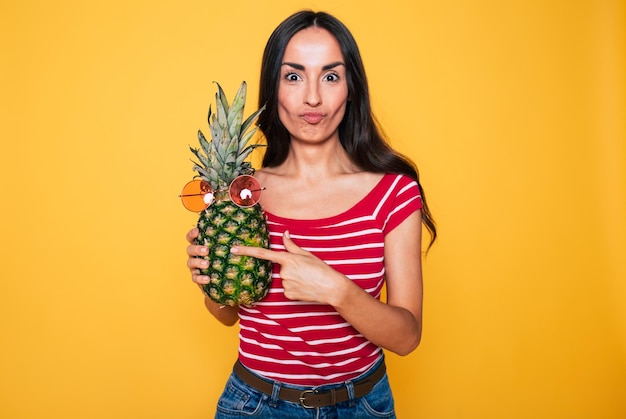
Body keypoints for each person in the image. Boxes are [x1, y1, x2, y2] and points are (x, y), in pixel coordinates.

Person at [185, 10, 437, 418]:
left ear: (351, 88)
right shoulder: (242, 193)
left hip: (362, 406)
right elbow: (228, 315)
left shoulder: (393, 191)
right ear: (275, 88)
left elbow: (407, 337)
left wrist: (335, 289)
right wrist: (208, 281)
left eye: (331, 76)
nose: (313, 98)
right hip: (256, 405)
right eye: (294, 76)